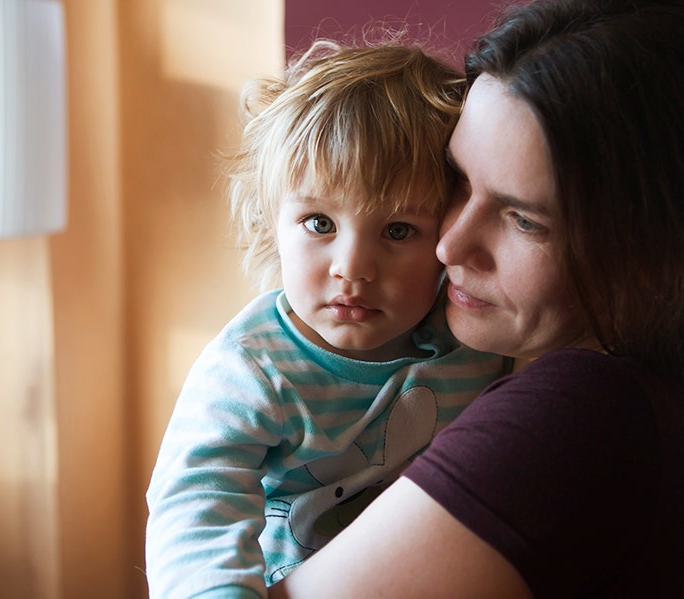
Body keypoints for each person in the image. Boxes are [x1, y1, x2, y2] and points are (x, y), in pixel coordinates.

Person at [270, 0, 684, 597]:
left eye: (525, 220)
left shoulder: (578, 415)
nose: (450, 244)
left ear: (653, 250)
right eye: (459, 181)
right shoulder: (662, 398)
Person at [143, 40, 511, 598]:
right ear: (273, 222)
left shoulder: (479, 342)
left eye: (397, 231)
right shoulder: (254, 365)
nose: (353, 269)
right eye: (319, 223)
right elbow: (197, 503)